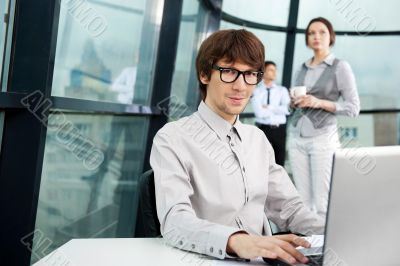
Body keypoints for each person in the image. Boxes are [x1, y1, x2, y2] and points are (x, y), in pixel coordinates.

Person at [150, 29, 324, 265]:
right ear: (204, 75)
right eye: (229, 72)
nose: (241, 86)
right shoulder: (172, 138)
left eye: (250, 74)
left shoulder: (258, 140)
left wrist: (337, 231)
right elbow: (174, 221)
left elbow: (289, 209)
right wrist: (236, 241)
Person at [288, 17, 360, 219]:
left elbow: (353, 108)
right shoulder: (301, 68)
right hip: (296, 137)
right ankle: (309, 244)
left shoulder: (340, 67)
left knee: (322, 202)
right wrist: (292, 102)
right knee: (302, 200)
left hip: (322, 138)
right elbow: (292, 102)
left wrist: (318, 102)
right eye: (311, 33)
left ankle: (326, 246)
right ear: (307, 38)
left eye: (321, 32)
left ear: (331, 37)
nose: (316, 36)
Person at [251, 61, 290, 166]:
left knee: (279, 161)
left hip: (279, 130)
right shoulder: (256, 91)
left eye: (275, 70)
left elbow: (287, 110)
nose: (274, 72)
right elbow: (259, 113)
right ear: (263, 72)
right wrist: (278, 109)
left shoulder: (282, 90)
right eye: (271, 70)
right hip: (263, 129)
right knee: (261, 161)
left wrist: (268, 107)